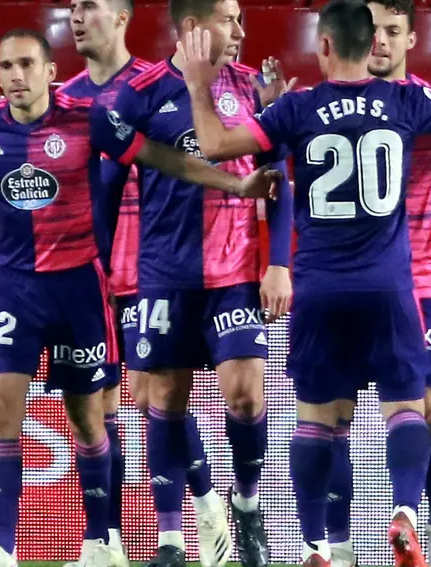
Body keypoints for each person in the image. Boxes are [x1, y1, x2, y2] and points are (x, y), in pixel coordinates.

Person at [172, 2, 431, 566]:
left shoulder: (296, 108)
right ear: (369, 41)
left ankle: (315, 545)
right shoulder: (406, 101)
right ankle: (404, 512)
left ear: (324, 47)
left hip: (320, 289)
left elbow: (218, 146)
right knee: (409, 410)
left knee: (318, 419)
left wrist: (200, 88)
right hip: (393, 287)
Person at [0, 29, 280, 567]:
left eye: (26, 64)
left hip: (106, 279)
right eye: (6, 66)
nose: (15, 75)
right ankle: (12, 546)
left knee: (111, 411)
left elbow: (159, 158)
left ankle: (139, 528)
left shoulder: (97, 112)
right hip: (39, 282)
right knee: (23, 403)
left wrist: (234, 185)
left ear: (50, 70)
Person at [88, 1, 298, 566]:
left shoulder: (253, 88)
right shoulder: (142, 91)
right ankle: (172, 538)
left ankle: (248, 504)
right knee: (162, 399)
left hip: (234, 271)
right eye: (230, 19)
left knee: (246, 395)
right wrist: (103, 265)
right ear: (192, 27)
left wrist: (279, 263)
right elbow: (109, 181)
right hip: (163, 274)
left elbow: (279, 179)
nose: (241, 31)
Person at [56, 1, 228, 565]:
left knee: (148, 393)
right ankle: (105, 537)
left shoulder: (153, 84)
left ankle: (185, 521)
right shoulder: (68, 98)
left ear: (122, 17)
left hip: (149, 260)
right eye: (72, 8)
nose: (78, 17)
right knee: (91, 403)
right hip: (89, 262)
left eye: (91, 6)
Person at [322, 2, 431, 567]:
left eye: (393, 32)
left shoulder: (426, 103)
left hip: (417, 279)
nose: (380, 41)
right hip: (340, 283)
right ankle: (341, 545)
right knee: (334, 415)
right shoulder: (324, 103)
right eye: (373, 31)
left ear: (411, 39)